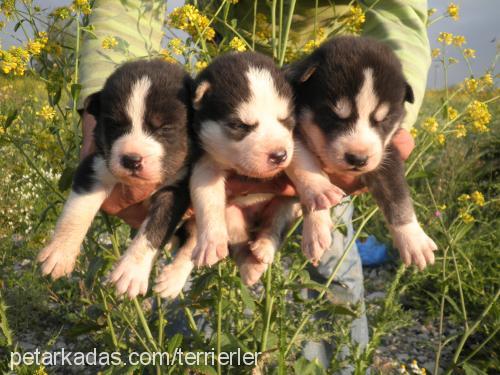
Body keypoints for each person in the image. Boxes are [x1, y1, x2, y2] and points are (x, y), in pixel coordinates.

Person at [77, 0, 429, 371]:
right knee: (198, 270)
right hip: (226, 76)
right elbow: (126, 7)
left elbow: (397, 15)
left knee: (329, 272)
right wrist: (104, 109)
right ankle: (189, 362)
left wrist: (388, 127)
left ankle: (339, 364)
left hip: (324, 74)